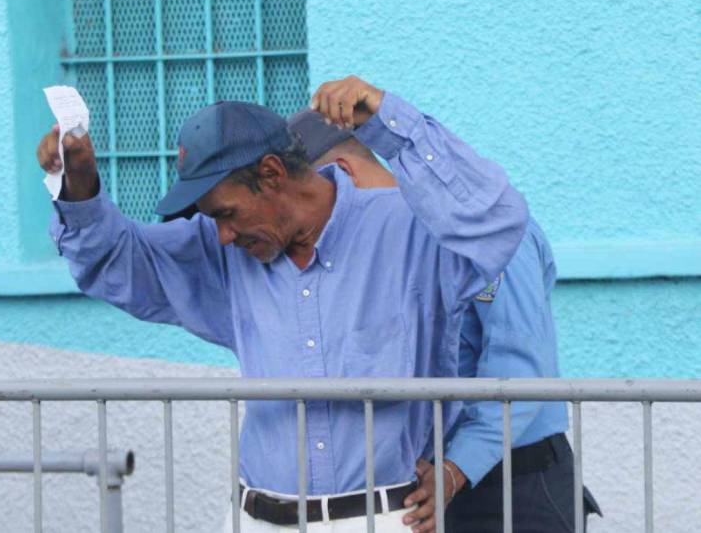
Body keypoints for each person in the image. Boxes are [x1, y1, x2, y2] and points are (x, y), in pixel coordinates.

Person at [37, 75, 529, 532]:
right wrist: (78, 186)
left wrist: (389, 123)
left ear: (272, 173)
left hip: (378, 520)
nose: (224, 235)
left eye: (227, 214)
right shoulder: (220, 252)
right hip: (256, 517)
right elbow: (119, 264)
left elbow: (498, 221)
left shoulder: (408, 231)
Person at [288, 109, 603, 532]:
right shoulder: (367, 254)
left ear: (342, 172)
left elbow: (523, 370)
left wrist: (455, 470)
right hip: (430, 485)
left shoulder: (482, 231)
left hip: (514, 483)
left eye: (302, 204)